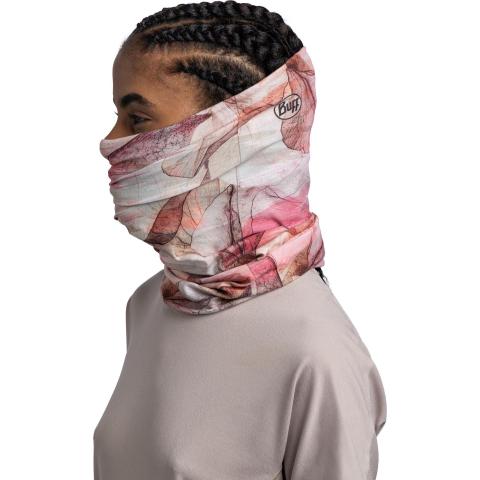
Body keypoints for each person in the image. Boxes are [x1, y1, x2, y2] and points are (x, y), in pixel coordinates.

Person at [93, 2, 387, 479]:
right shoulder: (151, 304)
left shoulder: (318, 354)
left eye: (137, 118)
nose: (110, 140)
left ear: (235, 136)